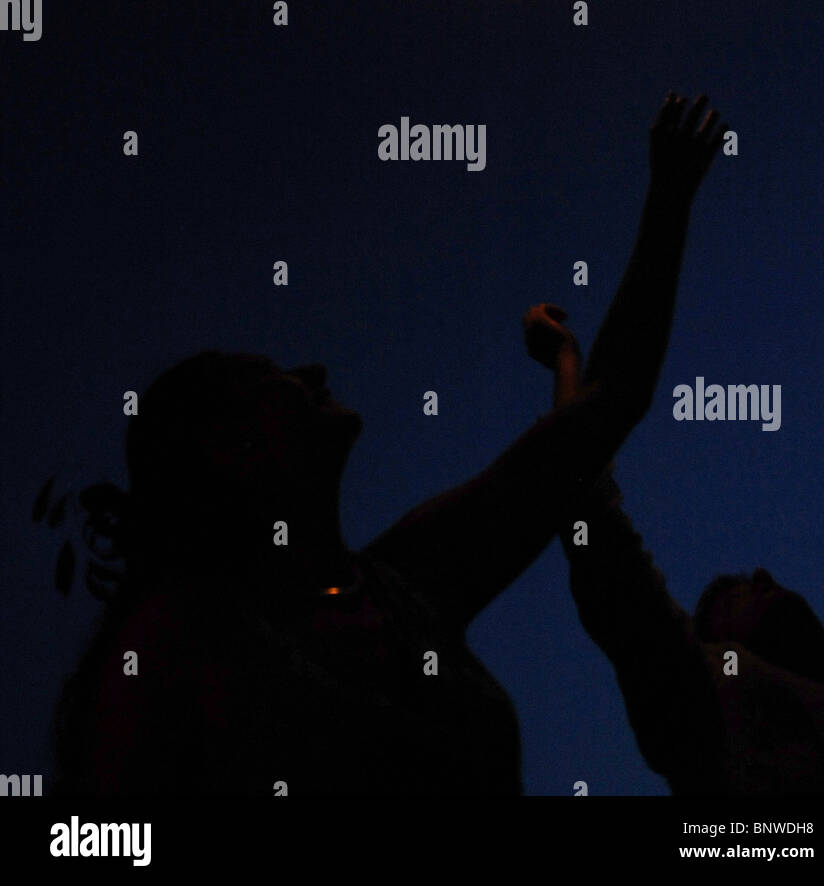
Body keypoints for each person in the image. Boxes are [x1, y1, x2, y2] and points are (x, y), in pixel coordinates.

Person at [51, 91, 724, 796]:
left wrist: (669, 199)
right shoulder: (171, 641)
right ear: (228, 446)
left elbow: (602, 411)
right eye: (267, 378)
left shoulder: (404, 585)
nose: (309, 372)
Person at [547, 119, 824, 796]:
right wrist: (668, 199)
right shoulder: (704, 698)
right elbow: (583, 488)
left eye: (733, 587)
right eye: (725, 596)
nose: (760, 569)